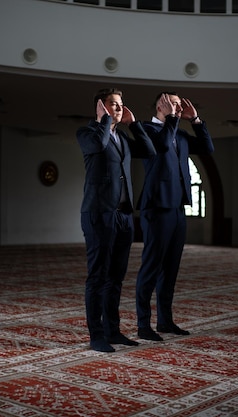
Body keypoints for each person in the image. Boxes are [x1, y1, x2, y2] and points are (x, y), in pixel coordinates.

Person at [77, 88, 156, 352]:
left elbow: (149, 151)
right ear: (100, 106)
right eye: (113, 104)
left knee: (116, 278)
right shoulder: (87, 134)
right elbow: (98, 146)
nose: (119, 108)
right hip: (99, 214)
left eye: (121, 104)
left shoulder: (121, 137)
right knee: (98, 277)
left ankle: (113, 331)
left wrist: (134, 125)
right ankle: (96, 335)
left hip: (123, 215)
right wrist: (103, 121)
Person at [135, 92, 215, 341]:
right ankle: (143, 325)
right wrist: (172, 119)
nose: (178, 107)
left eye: (180, 104)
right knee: (151, 267)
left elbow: (207, 148)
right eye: (173, 103)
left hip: (178, 207)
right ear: (160, 105)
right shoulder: (146, 129)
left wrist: (196, 121)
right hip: (157, 207)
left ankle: (165, 322)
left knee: (170, 269)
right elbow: (161, 145)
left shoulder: (179, 132)